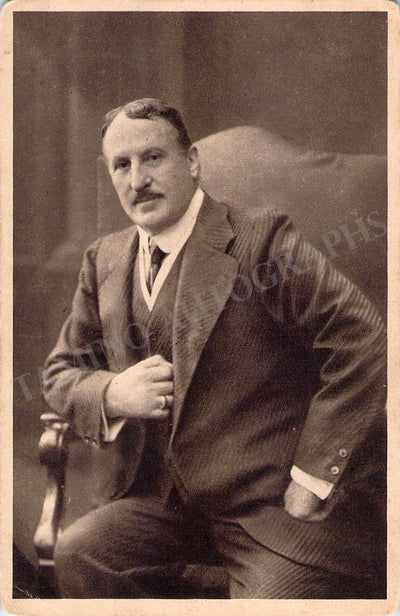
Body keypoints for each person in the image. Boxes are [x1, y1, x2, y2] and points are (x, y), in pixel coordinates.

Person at [42, 98, 386, 599]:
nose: (138, 180)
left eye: (152, 157)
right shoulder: (104, 260)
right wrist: (112, 393)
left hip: (267, 510)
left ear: (192, 163)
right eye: (122, 165)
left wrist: (313, 478)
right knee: (78, 553)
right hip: (163, 508)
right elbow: (60, 372)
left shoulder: (261, 240)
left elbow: (362, 337)